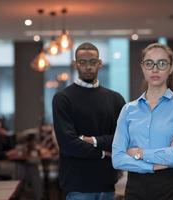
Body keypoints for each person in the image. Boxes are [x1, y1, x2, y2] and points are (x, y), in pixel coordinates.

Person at [112, 43, 173, 200]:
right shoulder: (128, 110)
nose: (155, 69)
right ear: (142, 67)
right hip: (136, 190)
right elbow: (118, 159)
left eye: (162, 63)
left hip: (171, 189)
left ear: (171, 68)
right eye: (149, 63)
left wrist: (140, 153)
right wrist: (153, 166)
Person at [52, 42, 126, 200]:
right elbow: (67, 144)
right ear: (75, 64)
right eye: (82, 62)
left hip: (107, 183)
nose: (88, 67)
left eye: (92, 62)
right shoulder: (63, 98)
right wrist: (103, 153)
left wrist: (90, 140)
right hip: (77, 185)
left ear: (99, 63)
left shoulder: (115, 99)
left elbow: (123, 139)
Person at [0, 117, 43, 200]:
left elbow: (10, 146)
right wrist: (5, 154)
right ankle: (16, 196)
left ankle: (39, 197)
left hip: (4, 161)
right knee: (19, 169)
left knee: (33, 168)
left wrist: (7, 136)